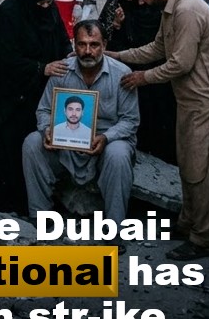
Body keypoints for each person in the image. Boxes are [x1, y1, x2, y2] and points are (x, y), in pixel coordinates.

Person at [109, 0, 209, 260]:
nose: (140, 2)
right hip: (191, 101)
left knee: (204, 173)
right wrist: (118, 56)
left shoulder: (186, 10)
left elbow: (179, 64)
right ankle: (188, 224)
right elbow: (158, 48)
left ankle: (202, 239)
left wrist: (142, 78)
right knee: (189, 167)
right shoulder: (171, 8)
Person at [0, 0, 71, 215]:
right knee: (8, 145)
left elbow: (60, 38)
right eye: (40, 3)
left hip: (36, 92)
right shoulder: (9, 14)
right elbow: (4, 59)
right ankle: (5, 201)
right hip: (6, 94)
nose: (44, 7)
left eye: (48, 2)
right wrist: (41, 68)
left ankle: (35, 198)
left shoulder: (50, 10)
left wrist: (68, 54)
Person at [22, 20, 139, 224]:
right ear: (74, 44)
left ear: (104, 45)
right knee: (32, 142)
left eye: (94, 45)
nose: (87, 51)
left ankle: (115, 226)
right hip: (66, 144)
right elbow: (44, 110)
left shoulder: (122, 74)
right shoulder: (62, 70)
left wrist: (105, 137)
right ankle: (39, 216)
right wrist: (48, 129)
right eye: (82, 44)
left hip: (105, 143)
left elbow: (130, 120)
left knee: (119, 154)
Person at [99, 0, 177, 164]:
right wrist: (116, 26)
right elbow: (103, 41)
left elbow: (160, 45)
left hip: (155, 71)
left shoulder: (154, 6)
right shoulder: (115, 5)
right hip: (127, 70)